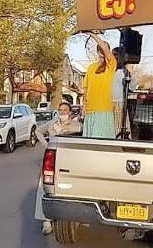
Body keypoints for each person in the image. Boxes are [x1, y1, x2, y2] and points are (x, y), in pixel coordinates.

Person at [34, 102, 82, 235]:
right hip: (52, 160)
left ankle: (76, 216)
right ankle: (46, 221)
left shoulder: (76, 125)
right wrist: (47, 145)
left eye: (65, 110)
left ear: (70, 112)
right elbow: (38, 131)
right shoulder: (52, 124)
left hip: (68, 162)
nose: (62, 113)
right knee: (43, 188)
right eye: (60, 110)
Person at [82, 32, 117, 138]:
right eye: (100, 49)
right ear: (97, 51)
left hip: (103, 109)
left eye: (104, 49)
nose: (102, 51)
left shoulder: (111, 65)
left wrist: (93, 35)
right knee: (89, 142)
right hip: (90, 110)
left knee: (101, 141)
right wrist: (84, 106)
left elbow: (105, 49)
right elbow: (86, 88)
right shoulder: (91, 67)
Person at [111, 47, 136, 136]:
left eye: (115, 55)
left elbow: (132, 87)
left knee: (118, 127)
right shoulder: (109, 71)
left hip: (119, 103)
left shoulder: (124, 71)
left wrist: (131, 73)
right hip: (108, 103)